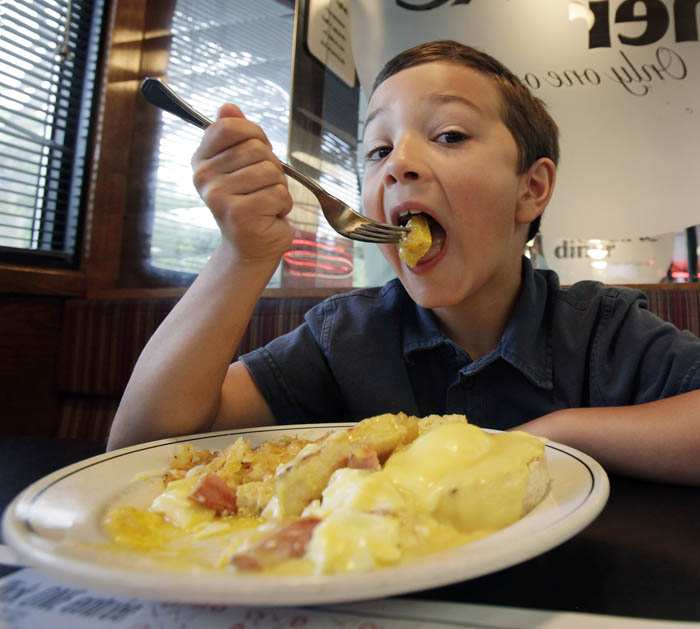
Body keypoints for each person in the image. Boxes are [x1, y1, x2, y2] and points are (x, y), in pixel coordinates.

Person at [107, 41, 700, 486]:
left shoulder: (601, 329)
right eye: (378, 150)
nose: (398, 164)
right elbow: (143, 445)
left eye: (448, 135)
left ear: (532, 189)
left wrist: (556, 433)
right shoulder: (348, 337)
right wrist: (243, 256)